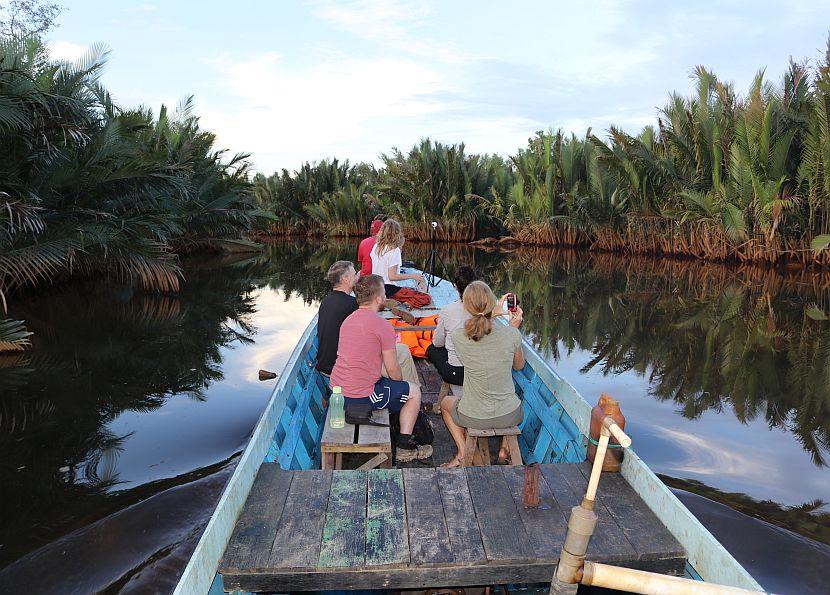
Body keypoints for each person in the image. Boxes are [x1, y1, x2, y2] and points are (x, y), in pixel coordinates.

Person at [330, 274, 431, 461]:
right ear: (378, 298)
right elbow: (393, 369)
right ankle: (403, 447)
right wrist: (403, 386)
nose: (385, 296)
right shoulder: (382, 325)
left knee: (396, 386)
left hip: (337, 391)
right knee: (414, 392)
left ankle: (398, 418)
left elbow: (366, 363)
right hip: (359, 396)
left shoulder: (348, 321)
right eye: (384, 292)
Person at [440, 280, 525, 468]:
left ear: (466, 307)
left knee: (445, 403)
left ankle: (463, 452)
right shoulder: (511, 334)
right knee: (515, 398)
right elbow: (519, 366)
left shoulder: (459, 337)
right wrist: (511, 327)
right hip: (510, 414)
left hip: (474, 415)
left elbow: (479, 331)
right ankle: (504, 448)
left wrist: (490, 315)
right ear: (493, 302)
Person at [317, 261, 419, 385]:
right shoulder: (353, 305)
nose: (357, 278)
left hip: (324, 365)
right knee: (401, 352)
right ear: (345, 279)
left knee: (398, 352)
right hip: (343, 368)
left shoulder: (326, 301)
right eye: (355, 275)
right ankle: (410, 392)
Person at [426, 266, 478, 390]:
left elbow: (438, 343)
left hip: (456, 373)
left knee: (432, 349)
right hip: (479, 370)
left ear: (455, 286)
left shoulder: (447, 310)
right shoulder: (485, 310)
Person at [370, 218, 426, 299]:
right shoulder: (394, 250)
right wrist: (413, 276)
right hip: (388, 289)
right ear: (397, 233)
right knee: (424, 297)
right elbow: (392, 276)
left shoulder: (376, 246)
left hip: (376, 286)